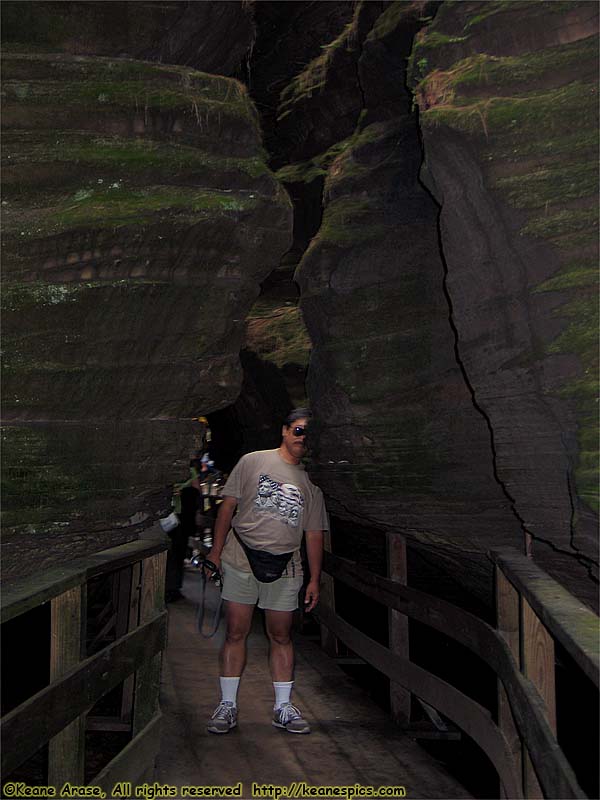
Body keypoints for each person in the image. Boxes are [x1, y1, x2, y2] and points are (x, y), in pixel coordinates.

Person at [204, 408, 328, 735]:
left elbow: (314, 533)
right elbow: (227, 507)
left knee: (281, 634)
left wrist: (315, 579)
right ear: (285, 431)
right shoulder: (253, 462)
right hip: (240, 557)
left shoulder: (311, 483)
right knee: (235, 631)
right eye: (298, 431)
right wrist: (215, 553)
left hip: (286, 564)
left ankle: (282, 707)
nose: (303, 439)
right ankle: (228, 705)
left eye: (309, 435)